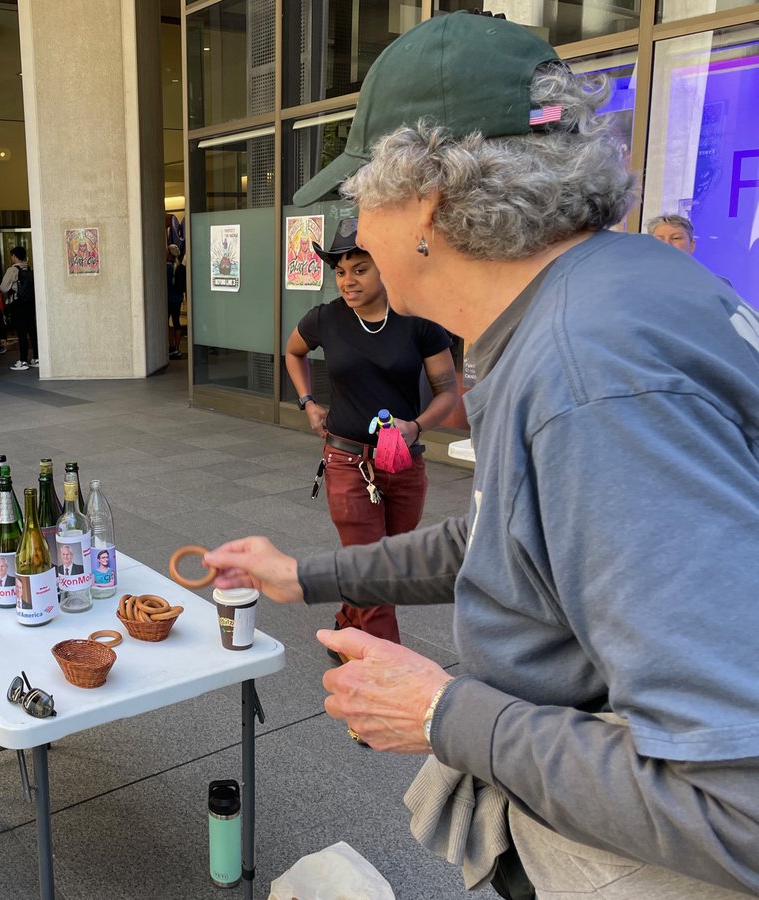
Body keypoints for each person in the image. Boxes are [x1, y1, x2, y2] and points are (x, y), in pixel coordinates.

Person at [204, 13, 759, 898]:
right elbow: (507, 536)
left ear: (424, 202)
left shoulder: (590, 375)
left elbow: (738, 808)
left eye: (360, 204)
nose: (355, 240)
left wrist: (439, 711)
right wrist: (301, 573)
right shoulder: (616, 289)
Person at [285, 219, 456, 648]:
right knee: (373, 571)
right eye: (340, 271)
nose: (347, 280)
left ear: (385, 269)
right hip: (346, 459)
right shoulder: (325, 319)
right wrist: (308, 402)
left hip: (402, 459)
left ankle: (348, 619)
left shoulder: (418, 322)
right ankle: (379, 668)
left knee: (390, 565)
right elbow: (293, 352)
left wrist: (416, 425)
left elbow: (448, 392)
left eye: (359, 269)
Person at [0, 246, 38, 370]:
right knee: (32, 331)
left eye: (12, 256)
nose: (11, 258)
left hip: (18, 303)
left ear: (15, 256)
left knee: (21, 332)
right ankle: (36, 357)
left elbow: (4, 287)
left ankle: (23, 360)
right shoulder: (29, 268)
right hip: (30, 303)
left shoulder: (12, 270)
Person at [166, 244, 186, 359]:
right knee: (176, 321)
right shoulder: (180, 266)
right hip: (178, 298)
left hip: (168, 298)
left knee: (167, 322)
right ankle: (177, 348)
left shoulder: (167, 267)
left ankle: (171, 345)